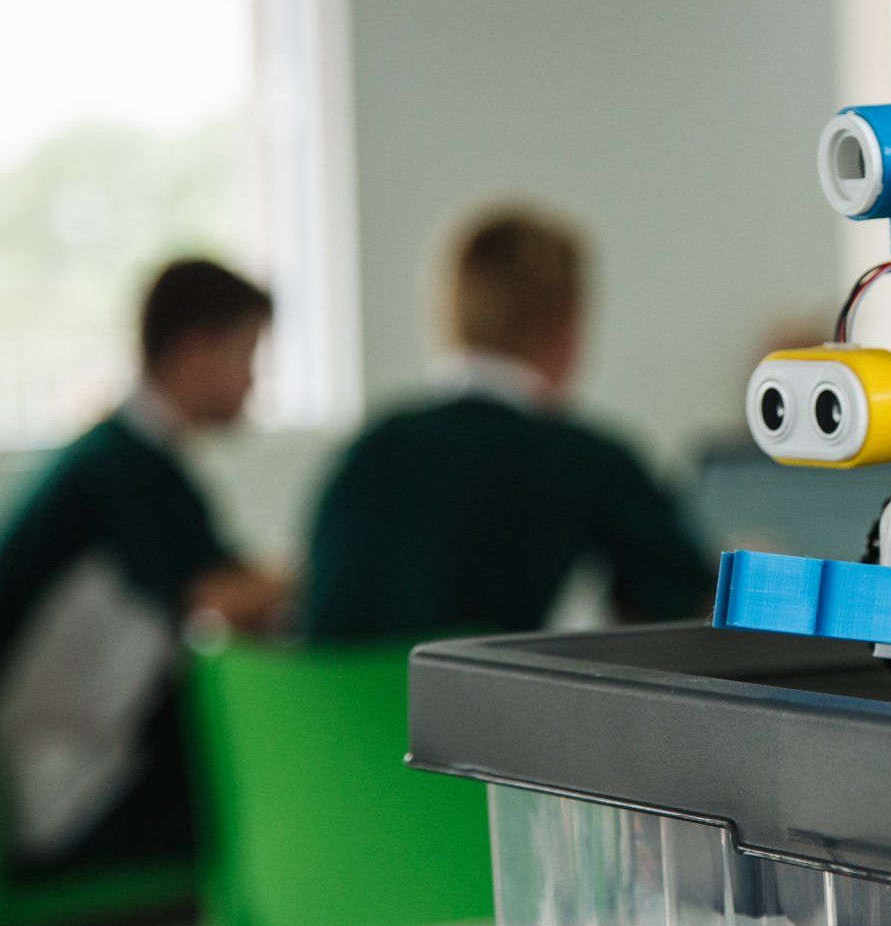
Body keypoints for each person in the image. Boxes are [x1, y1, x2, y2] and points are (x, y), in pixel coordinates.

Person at [302, 206, 712, 641]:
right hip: (462, 706)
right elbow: (693, 605)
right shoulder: (582, 459)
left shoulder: (371, 446)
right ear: (566, 327)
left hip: (318, 709)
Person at [0, 258, 285, 874]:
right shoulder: (125, 469)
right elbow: (226, 597)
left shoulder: (123, 459)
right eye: (249, 356)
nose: (254, 384)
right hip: (64, 791)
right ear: (197, 350)